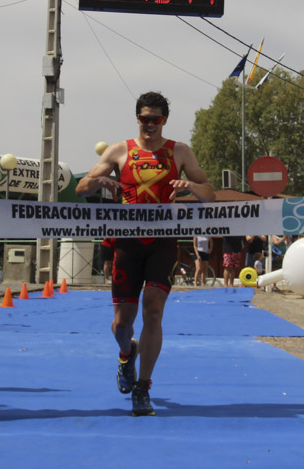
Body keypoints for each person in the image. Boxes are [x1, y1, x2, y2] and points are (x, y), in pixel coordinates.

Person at [76, 91, 214, 417]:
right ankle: (127, 354)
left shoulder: (179, 151)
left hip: (163, 241)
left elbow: (210, 192)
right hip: (126, 242)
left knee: (153, 312)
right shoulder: (119, 150)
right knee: (121, 325)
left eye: (156, 119)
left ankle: (143, 387)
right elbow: (82, 187)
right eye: (144, 119)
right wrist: (99, 183)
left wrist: (190, 187)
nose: (150, 125)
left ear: (164, 120)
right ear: (137, 118)